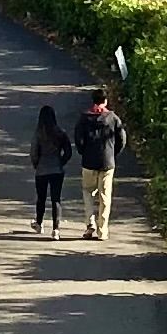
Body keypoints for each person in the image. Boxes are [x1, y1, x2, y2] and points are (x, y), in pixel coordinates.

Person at [74, 85, 126, 240]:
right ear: (105, 100)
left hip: (89, 161)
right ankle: (102, 230)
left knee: (88, 192)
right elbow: (122, 139)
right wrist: (113, 153)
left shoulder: (84, 118)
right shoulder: (113, 118)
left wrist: (83, 151)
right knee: (105, 196)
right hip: (107, 162)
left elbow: (78, 139)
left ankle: (90, 225)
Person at [29, 102, 75, 235]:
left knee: (41, 198)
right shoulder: (60, 133)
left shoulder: (38, 133)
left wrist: (36, 164)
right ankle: (56, 229)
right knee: (56, 199)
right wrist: (61, 162)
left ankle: (39, 223)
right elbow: (68, 151)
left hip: (42, 169)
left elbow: (34, 152)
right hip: (57, 169)